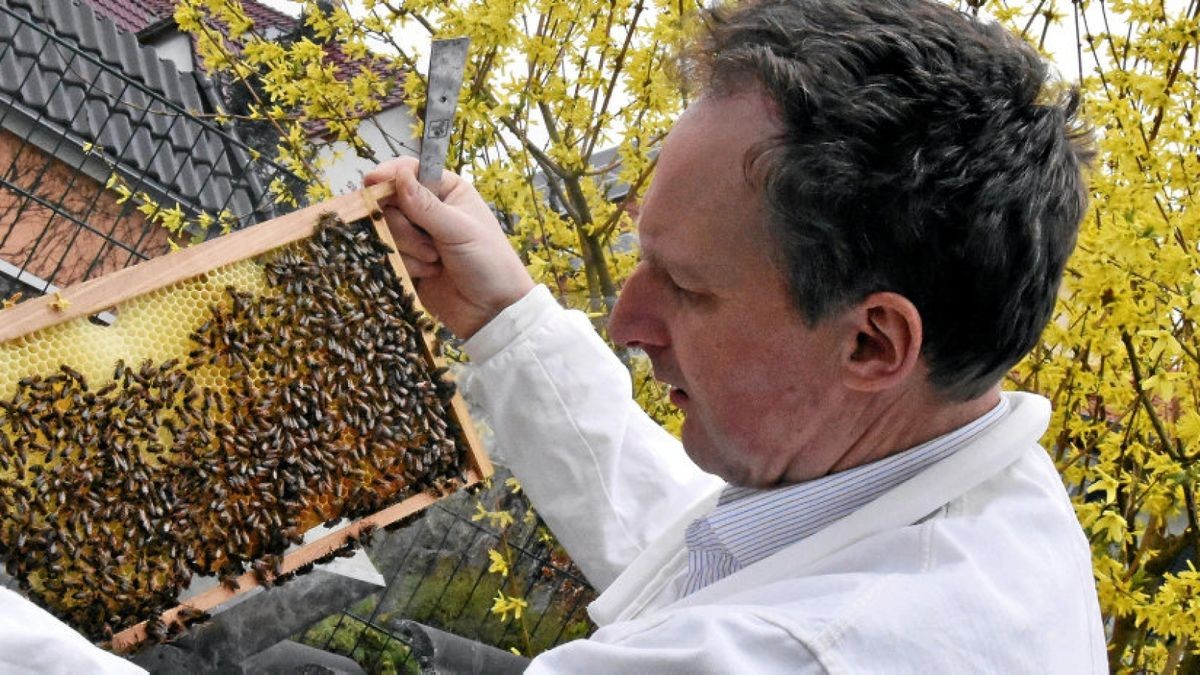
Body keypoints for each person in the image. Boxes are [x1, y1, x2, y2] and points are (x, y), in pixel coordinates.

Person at [365, 0, 1106, 671]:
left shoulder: (795, 653)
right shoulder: (980, 497)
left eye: (687, 287)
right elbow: (692, 548)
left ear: (873, 343)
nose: (626, 321)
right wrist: (503, 316)